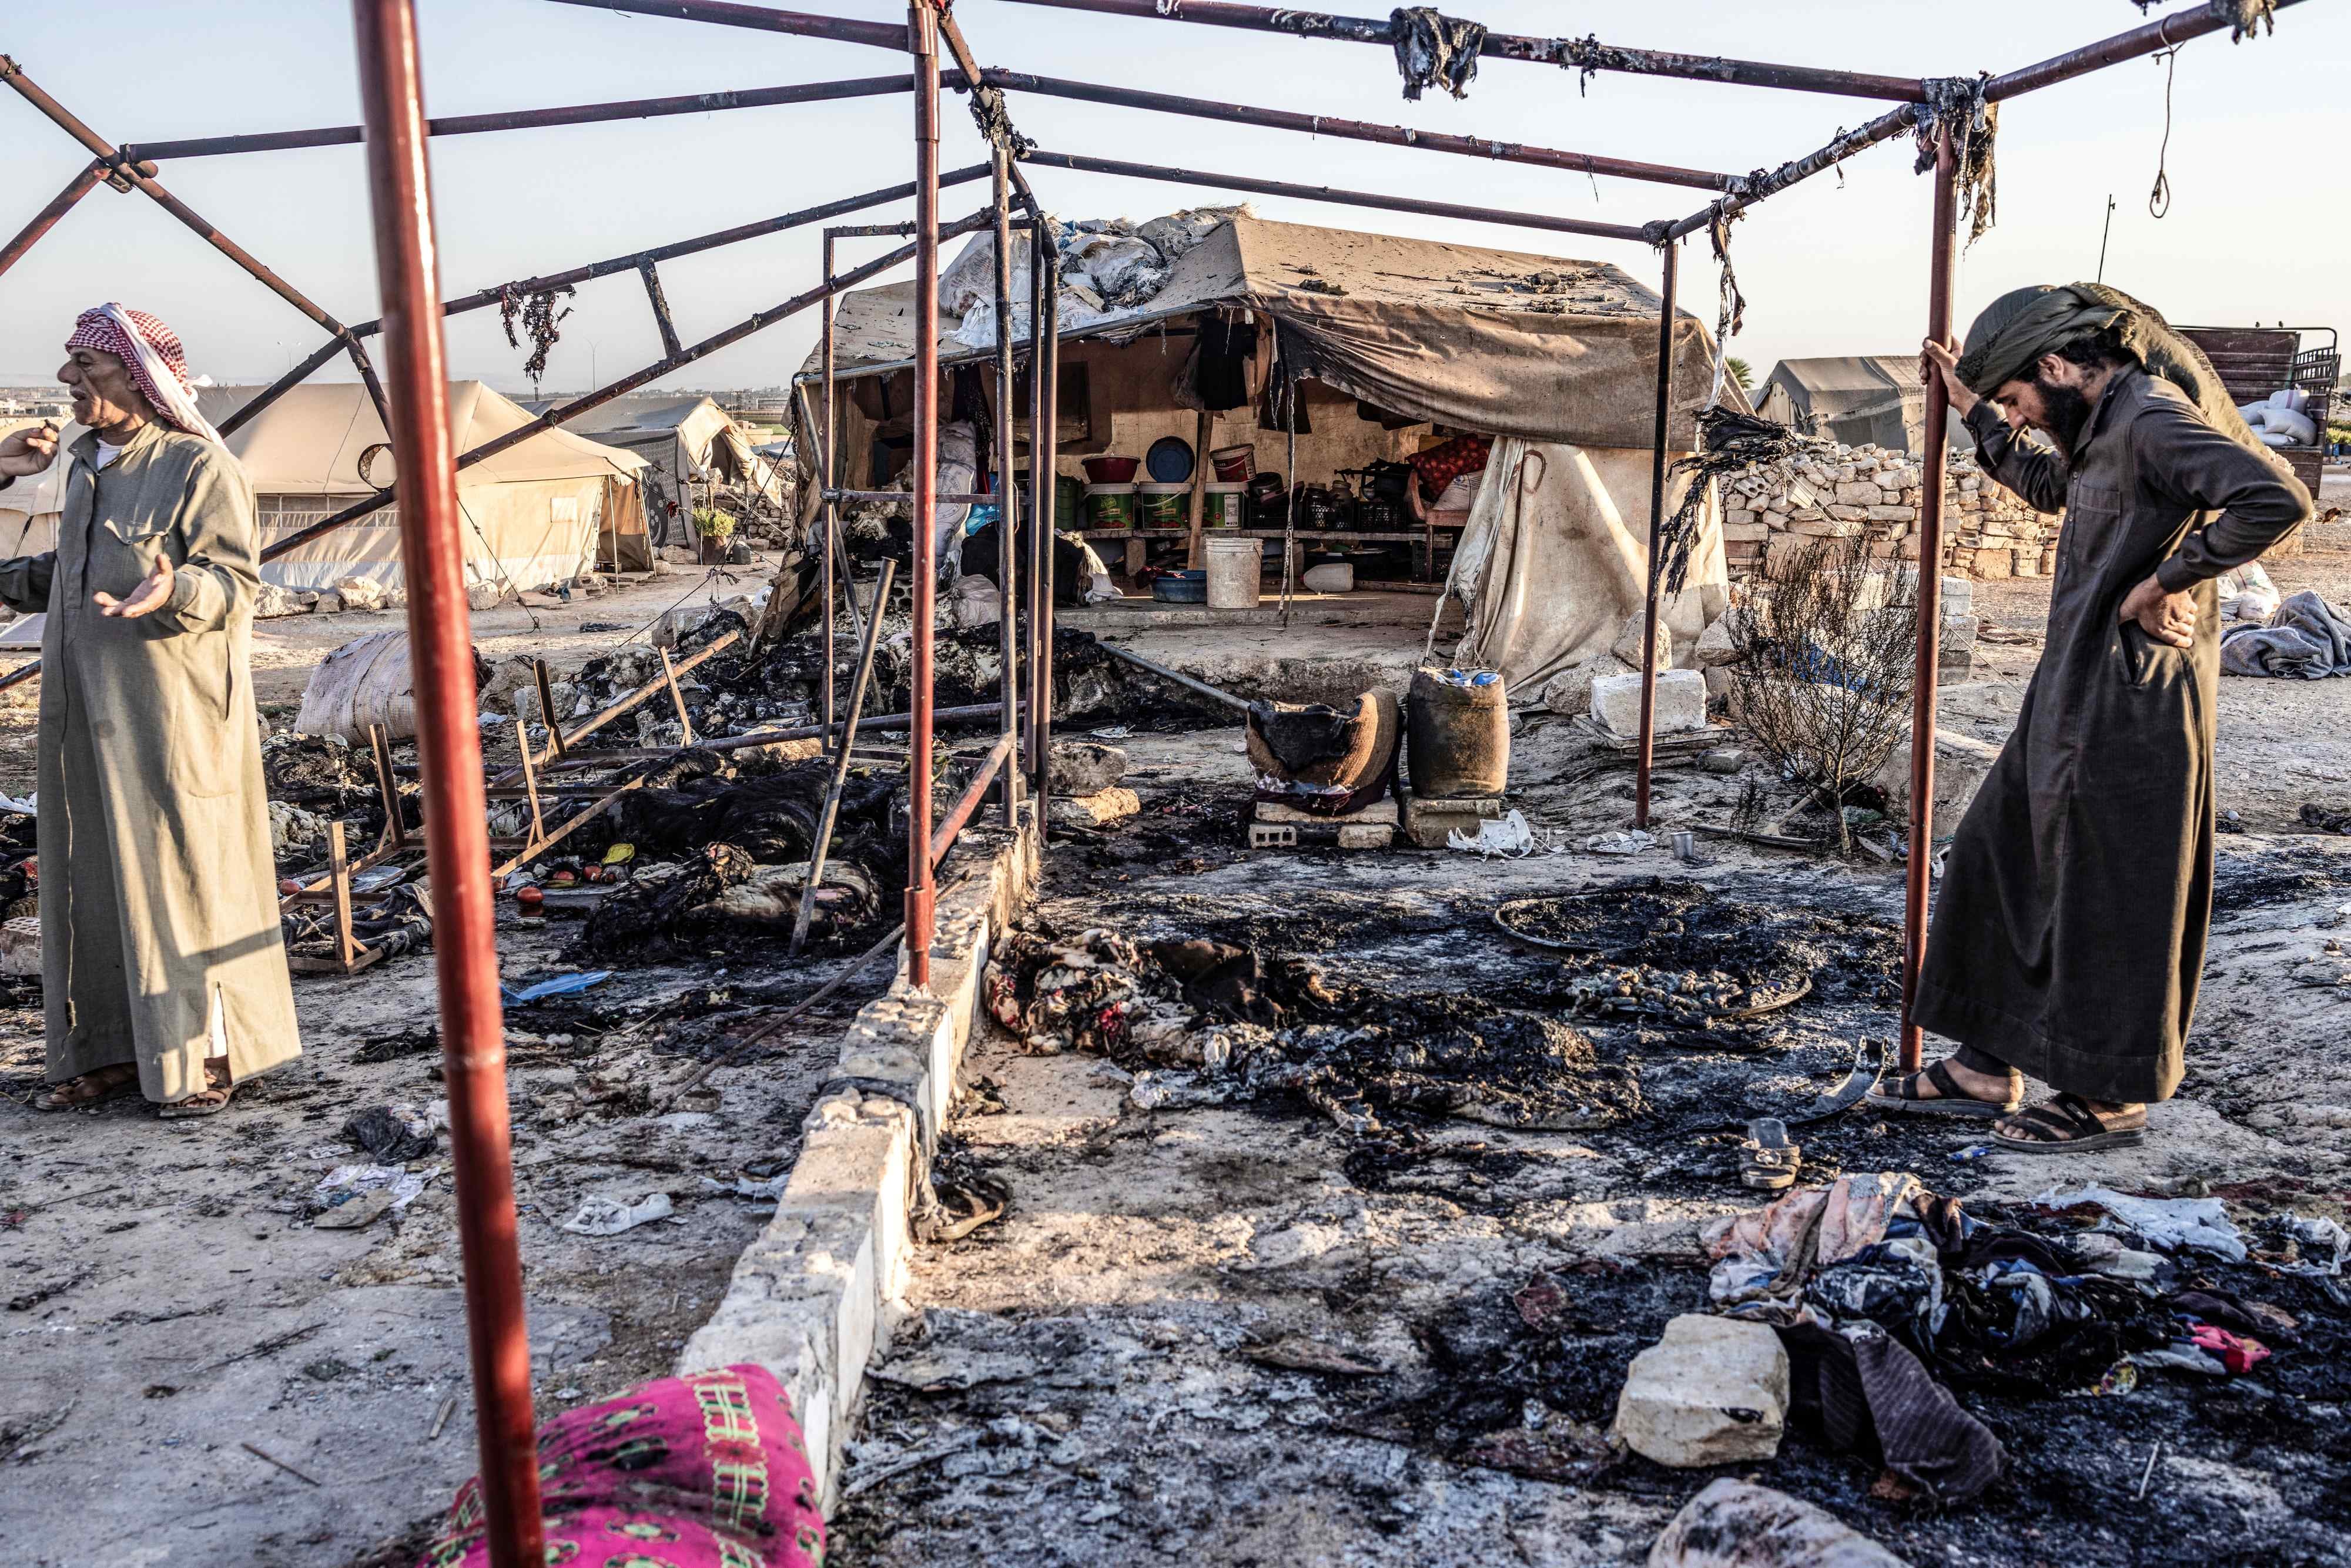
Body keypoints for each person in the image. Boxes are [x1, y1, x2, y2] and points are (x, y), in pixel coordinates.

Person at [1873, 283, 2310, 1152]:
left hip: (2137, 698)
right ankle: (1983, 1064)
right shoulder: (2101, 427)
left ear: (2059, 364)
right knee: (2003, 853)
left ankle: (2107, 1096)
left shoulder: (2149, 416)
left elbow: (2275, 499)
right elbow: (2049, 486)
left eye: (2018, 400)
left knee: (2113, 889)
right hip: (2072, 684)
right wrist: (1974, 411)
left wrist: (2166, 582)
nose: (2021, 417)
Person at [0, 303, 300, 1117]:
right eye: (69, 364)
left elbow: (237, 583)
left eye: (86, 367)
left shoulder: (198, 468)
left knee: (181, 879)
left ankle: (199, 1059)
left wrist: (176, 592)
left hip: (170, 721)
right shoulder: (80, 467)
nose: (68, 379)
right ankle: (103, 1054)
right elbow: (59, 577)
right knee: (88, 882)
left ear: (139, 379)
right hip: (80, 727)